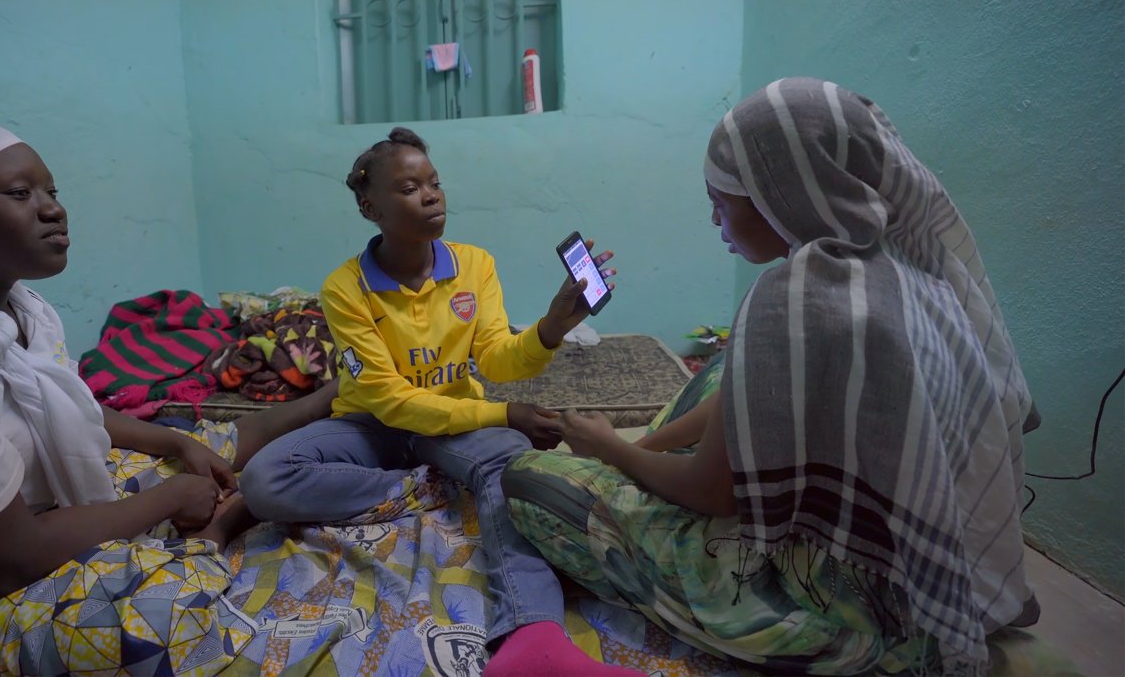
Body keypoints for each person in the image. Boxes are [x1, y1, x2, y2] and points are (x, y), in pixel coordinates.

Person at [502, 78, 1041, 675]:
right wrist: (641, 446)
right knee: (722, 371)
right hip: (932, 565)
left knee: (529, 478)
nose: (714, 218)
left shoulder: (793, 297)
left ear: (779, 194)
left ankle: (801, 633)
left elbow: (712, 495)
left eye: (722, 198)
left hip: (843, 595)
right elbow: (745, 394)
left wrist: (608, 447)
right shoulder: (912, 270)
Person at [0, 110, 335, 675]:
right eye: (20, 193)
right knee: (139, 627)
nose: (53, 208)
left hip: (27, 515)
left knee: (196, 448)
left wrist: (171, 440)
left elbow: (66, 410)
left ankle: (313, 409)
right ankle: (212, 533)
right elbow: (3, 564)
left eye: (51, 190)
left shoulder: (15, 308)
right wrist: (169, 501)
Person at [239, 128, 640, 677]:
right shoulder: (345, 288)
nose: (430, 196)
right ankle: (426, 487)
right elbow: (391, 400)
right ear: (369, 206)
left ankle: (532, 635)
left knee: (512, 462)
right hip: (372, 424)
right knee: (263, 479)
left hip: (453, 423)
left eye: (434, 183)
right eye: (408, 188)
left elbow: (497, 358)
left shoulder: (474, 265)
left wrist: (549, 328)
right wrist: (503, 412)